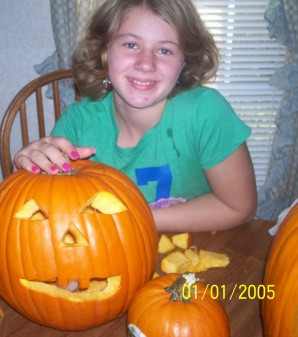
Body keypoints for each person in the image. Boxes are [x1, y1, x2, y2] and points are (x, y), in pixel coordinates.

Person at [14, 0, 257, 232]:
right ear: (104, 51)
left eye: (165, 50)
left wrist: (135, 217)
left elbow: (237, 206)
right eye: (131, 45)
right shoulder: (77, 124)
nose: (146, 63)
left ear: (184, 62)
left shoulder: (205, 113)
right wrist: (31, 173)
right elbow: (50, 216)